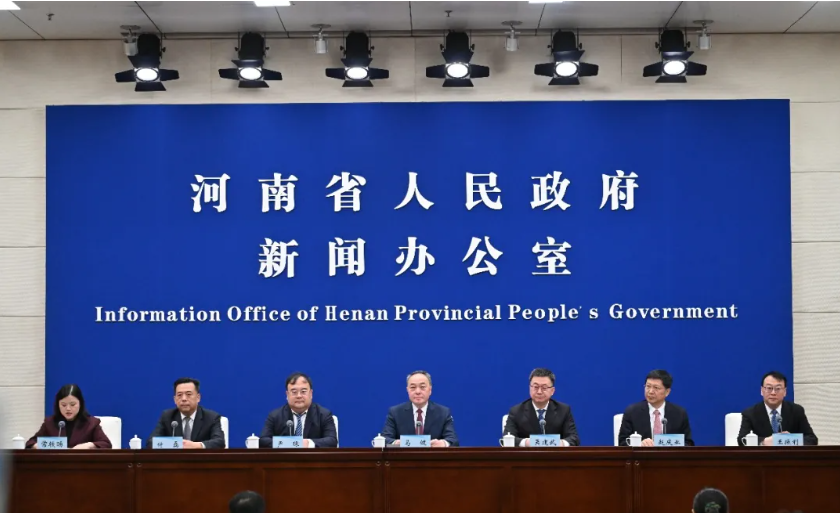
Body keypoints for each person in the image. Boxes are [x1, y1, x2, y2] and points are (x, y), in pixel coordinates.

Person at [503, 368, 580, 446]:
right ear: (530, 388)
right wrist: (527, 442)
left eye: (544, 388)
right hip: (527, 453)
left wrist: (561, 443)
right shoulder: (516, 411)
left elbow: (574, 438)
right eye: (535, 387)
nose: (539, 392)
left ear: (552, 391)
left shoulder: (563, 410)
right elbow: (507, 438)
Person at [737, 371, 818, 446]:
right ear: (762, 390)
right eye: (769, 388)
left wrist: (790, 439)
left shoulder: (796, 411)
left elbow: (812, 439)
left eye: (778, 389)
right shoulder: (750, 413)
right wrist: (763, 441)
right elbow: (741, 440)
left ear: (785, 392)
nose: (773, 393)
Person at [617, 369, 695, 446]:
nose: (650, 391)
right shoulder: (632, 412)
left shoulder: (679, 414)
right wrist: (639, 444)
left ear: (667, 392)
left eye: (656, 388)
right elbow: (622, 442)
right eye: (648, 386)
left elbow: (688, 443)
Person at [381, 370, 458, 447]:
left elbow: (453, 440)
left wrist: (443, 443)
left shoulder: (443, 412)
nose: (417, 391)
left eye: (422, 387)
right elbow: (384, 439)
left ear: (430, 390)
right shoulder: (395, 412)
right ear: (407, 390)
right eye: (413, 387)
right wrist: (396, 443)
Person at [259, 372, 337, 448]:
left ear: (311, 394)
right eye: (294, 392)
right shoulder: (275, 416)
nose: (299, 396)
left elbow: (332, 441)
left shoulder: (323, 414)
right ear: (287, 395)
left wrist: (308, 443)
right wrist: (292, 443)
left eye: (303, 391)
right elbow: (263, 441)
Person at [146, 377, 225, 449]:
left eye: (188, 394)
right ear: (175, 399)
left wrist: (196, 445)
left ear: (198, 397)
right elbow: (151, 442)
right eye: (179, 395)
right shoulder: (167, 416)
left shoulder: (211, 417)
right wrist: (178, 444)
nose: (184, 399)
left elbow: (220, 442)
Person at [26, 384, 112, 449]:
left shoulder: (91, 423)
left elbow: (106, 444)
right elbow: (30, 443)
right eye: (63, 405)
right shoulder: (49, 423)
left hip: (82, 465)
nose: (68, 409)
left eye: (72, 404)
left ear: (80, 404)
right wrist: (42, 445)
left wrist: (89, 445)